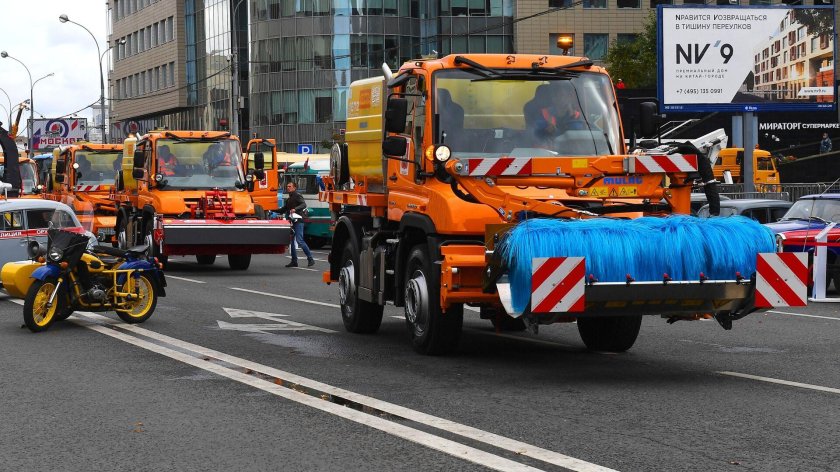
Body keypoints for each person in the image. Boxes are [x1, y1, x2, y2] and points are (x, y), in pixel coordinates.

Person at [278, 181, 314, 267]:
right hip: (292, 221)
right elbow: (283, 209)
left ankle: (310, 259)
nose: (288, 188)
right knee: (291, 242)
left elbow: (303, 204)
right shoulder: (289, 199)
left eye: (290, 186)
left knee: (299, 240)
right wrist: (272, 209)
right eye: (287, 186)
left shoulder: (297, 195)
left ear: (294, 188)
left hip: (298, 221)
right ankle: (294, 261)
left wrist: (295, 209)